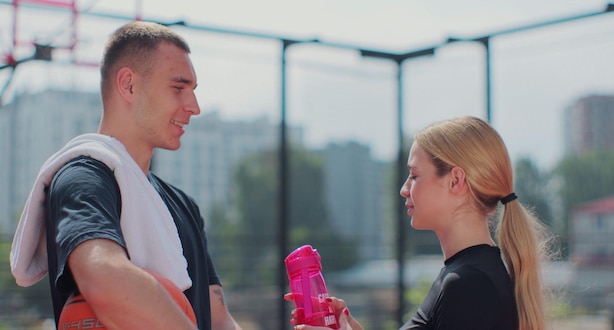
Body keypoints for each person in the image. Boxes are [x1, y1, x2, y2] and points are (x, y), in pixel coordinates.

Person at [10, 21, 241, 330]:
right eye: (179, 88)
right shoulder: (83, 178)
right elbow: (104, 278)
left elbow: (220, 320)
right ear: (129, 85)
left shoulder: (184, 205)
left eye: (193, 91)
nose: (194, 107)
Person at [288, 116, 552, 330]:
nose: (404, 189)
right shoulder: (466, 275)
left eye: (414, 176)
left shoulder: (468, 285)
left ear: (455, 181)